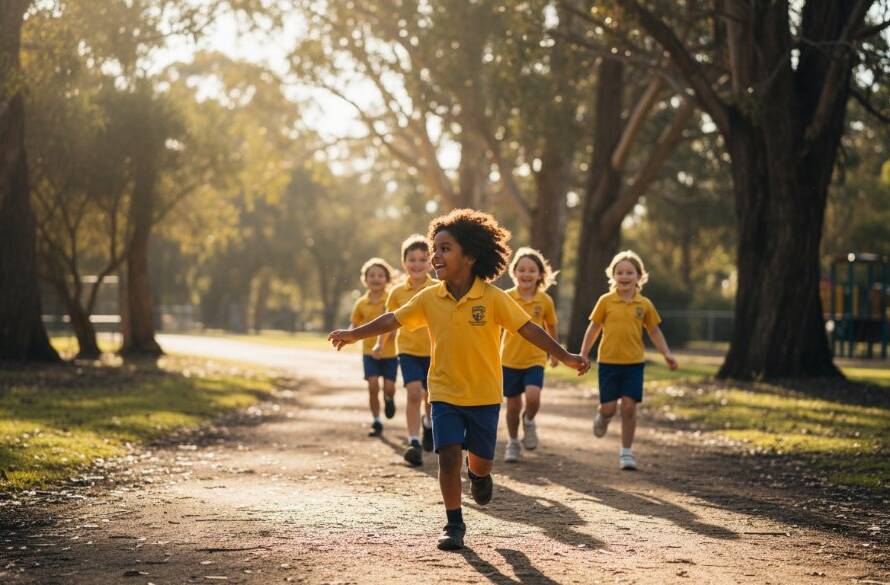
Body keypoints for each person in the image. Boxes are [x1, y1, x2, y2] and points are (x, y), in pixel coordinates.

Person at [329, 209, 589, 551]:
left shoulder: (494, 298)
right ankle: (454, 522)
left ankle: (479, 476)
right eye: (434, 248)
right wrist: (353, 334)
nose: (435, 255)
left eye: (445, 248)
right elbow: (393, 319)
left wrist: (566, 356)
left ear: (470, 256)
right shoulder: (429, 297)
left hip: (483, 395)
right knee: (448, 456)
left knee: (479, 462)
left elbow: (528, 329)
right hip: (444, 393)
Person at [579, 250, 678, 470]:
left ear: (639, 276)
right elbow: (593, 328)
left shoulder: (644, 304)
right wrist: (584, 353)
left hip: (634, 364)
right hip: (608, 363)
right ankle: (603, 416)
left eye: (629, 272)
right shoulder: (605, 301)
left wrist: (667, 354)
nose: (624, 276)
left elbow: (654, 332)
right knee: (609, 407)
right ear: (612, 276)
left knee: (630, 407)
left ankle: (626, 452)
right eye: (620, 272)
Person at [374, 234, 436, 466]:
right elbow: (389, 322)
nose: (417, 264)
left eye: (423, 259)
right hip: (408, 350)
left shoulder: (439, 288)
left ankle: (428, 424)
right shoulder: (397, 293)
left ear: (431, 262)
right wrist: (381, 343)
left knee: (431, 397)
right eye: (412, 259)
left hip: (435, 351)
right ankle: (414, 442)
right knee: (413, 393)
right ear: (404, 262)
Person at [500, 247, 559, 463]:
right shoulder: (505, 297)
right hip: (509, 359)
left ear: (540, 274)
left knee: (533, 397)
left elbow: (551, 328)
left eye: (532, 270)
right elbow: (495, 330)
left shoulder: (545, 301)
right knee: (513, 406)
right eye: (522, 269)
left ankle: (530, 420)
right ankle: (513, 442)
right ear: (513, 272)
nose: (526, 274)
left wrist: (554, 353)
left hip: (535, 359)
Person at [350, 257, 399, 437]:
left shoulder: (391, 299)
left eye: (380, 275)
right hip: (369, 352)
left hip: (390, 353)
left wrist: (394, 333)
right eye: (372, 275)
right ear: (365, 279)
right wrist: (347, 336)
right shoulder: (361, 303)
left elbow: (398, 321)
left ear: (386, 278)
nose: (376, 279)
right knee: (372, 386)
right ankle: (377, 421)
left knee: (388, 387)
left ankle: (389, 398)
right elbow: (354, 326)